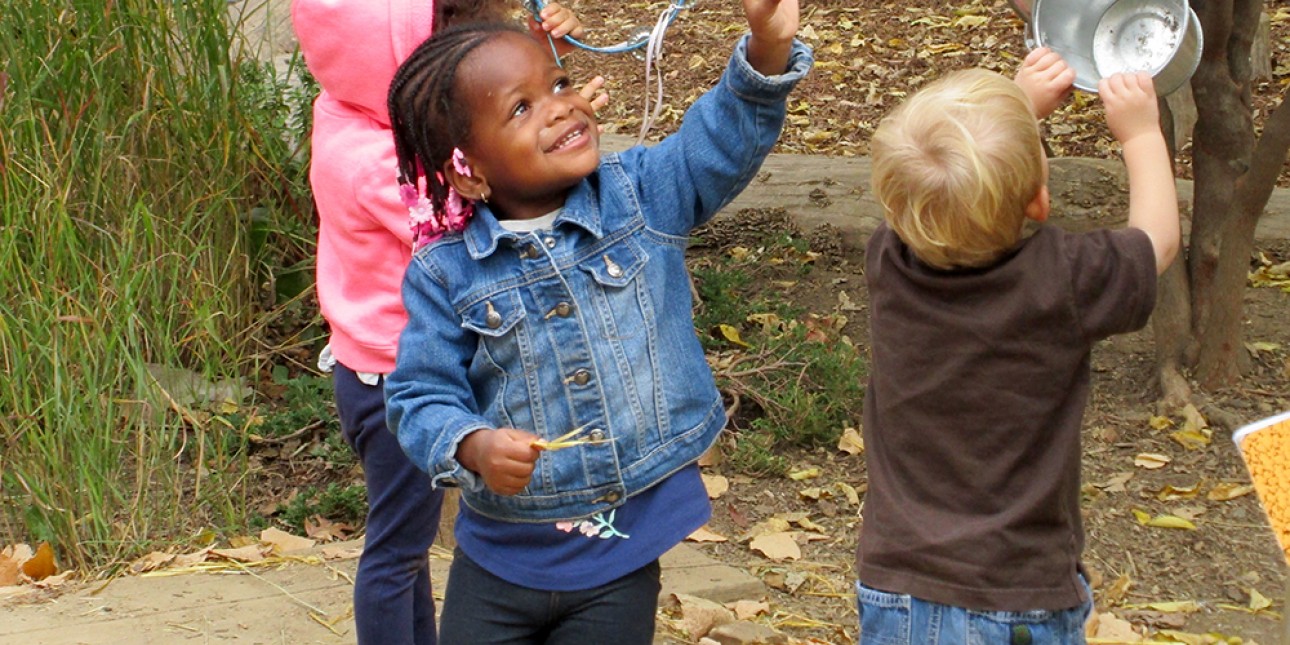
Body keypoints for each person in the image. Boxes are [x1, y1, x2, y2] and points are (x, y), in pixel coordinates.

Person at [382, 1, 812, 642]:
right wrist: (470, 443)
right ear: (466, 173)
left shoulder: (639, 196)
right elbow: (419, 394)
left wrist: (767, 51)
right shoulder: (445, 275)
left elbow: (716, 144)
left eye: (556, 84)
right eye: (520, 108)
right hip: (497, 563)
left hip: (619, 560)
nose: (559, 106)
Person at [290, 2, 596, 644]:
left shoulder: (350, 114)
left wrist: (535, 64)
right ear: (397, 69)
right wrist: (545, 140)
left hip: (391, 367)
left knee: (411, 543)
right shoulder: (373, 161)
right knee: (397, 551)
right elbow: (466, 219)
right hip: (394, 383)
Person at [854, 48, 1180, 644]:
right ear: (1038, 201)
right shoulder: (1062, 280)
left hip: (894, 587)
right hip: (1014, 599)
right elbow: (1156, 243)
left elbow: (938, 188)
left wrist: (1019, 106)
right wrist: (1140, 134)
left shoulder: (889, 260)